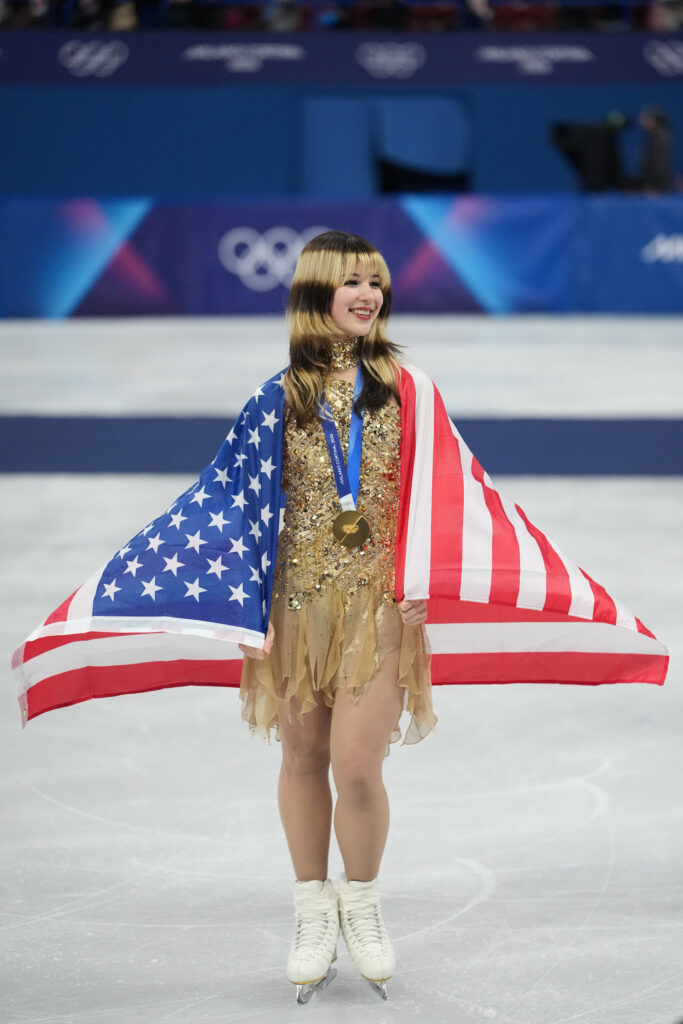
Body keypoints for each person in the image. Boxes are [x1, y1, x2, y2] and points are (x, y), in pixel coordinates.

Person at [237, 229, 437, 1002]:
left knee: (356, 765)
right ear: (315, 290)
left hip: (383, 604)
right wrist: (251, 604)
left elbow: (445, 491)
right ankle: (309, 906)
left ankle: (360, 901)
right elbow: (240, 507)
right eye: (351, 281)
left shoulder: (408, 388)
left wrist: (426, 578)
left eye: (376, 283)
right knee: (299, 758)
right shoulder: (276, 396)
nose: (367, 296)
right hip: (294, 602)